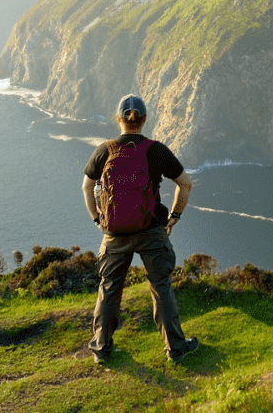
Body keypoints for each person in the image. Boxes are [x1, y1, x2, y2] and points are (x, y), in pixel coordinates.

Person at [81, 93, 199, 364]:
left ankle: (101, 349)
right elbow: (186, 184)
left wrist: (98, 220)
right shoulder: (156, 150)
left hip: (114, 235)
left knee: (109, 288)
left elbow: (87, 187)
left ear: (118, 119)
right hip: (151, 231)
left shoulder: (104, 150)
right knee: (161, 287)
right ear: (144, 119)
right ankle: (176, 349)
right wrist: (174, 216)